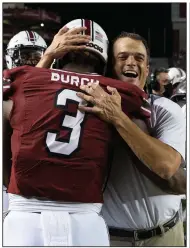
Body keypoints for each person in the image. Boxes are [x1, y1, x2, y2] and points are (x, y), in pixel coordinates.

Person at [3, 19, 150, 246]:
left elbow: (11, 106)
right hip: (85, 216)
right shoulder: (117, 90)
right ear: (103, 59)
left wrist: (47, 57)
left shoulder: (26, 79)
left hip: (25, 215)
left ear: (61, 54)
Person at [76, 32, 186, 246]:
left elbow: (167, 168)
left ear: (147, 70)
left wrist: (117, 117)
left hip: (166, 234)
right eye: (123, 56)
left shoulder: (165, 109)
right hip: (111, 237)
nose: (131, 62)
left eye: (139, 58)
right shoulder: (83, 107)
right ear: (109, 67)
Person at [3, 30, 47, 217]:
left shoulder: (51, 91)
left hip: (33, 184)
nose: (30, 62)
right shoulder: (5, 89)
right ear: (11, 58)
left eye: (36, 57)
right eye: (25, 55)